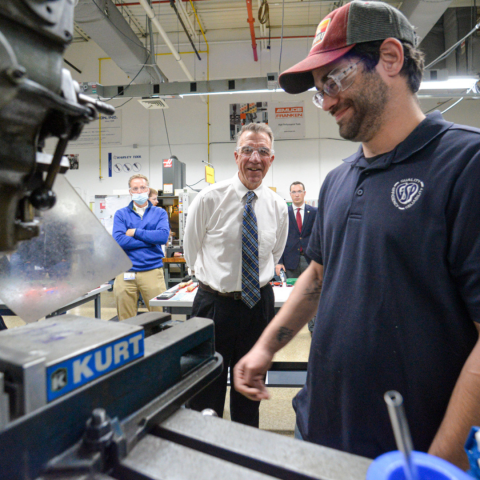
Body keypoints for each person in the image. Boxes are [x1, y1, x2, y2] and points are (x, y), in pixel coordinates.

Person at [234, 0, 480, 469]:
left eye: (334, 79)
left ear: (390, 58)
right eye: (318, 90)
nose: (325, 100)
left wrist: (438, 464)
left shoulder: (466, 166)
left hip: (408, 454)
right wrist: (267, 346)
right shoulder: (339, 180)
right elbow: (318, 275)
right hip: (320, 427)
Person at [184, 123, 288, 427]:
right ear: (236, 155)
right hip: (214, 305)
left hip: (258, 306)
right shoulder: (208, 198)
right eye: (248, 150)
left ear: (271, 159)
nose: (255, 158)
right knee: (206, 389)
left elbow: (275, 254)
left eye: (263, 152)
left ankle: (244, 455)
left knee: (250, 389)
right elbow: (192, 253)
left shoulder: (277, 206)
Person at [113, 174, 169, 321]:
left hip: (152, 271)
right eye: (135, 188)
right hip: (126, 272)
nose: (139, 191)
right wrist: (151, 240)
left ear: (148, 189)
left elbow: (163, 237)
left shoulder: (160, 213)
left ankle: (160, 343)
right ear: (130, 192)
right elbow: (119, 240)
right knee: (126, 320)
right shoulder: (121, 214)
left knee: (159, 316)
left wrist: (135, 232)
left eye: (142, 188)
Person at [275, 181, 318, 333]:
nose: (297, 194)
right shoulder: (284, 213)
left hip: (309, 260)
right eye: (294, 192)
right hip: (290, 261)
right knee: (290, 297)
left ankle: (314, 329)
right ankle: (288, 330)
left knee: (311, 295)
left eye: (299, 191)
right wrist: (278, 261)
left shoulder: (314, 212)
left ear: (304, 193)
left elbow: (319, 236)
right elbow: (278, 237)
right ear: (290, 194)